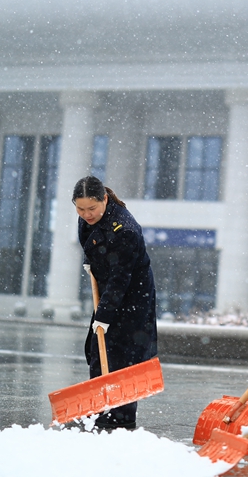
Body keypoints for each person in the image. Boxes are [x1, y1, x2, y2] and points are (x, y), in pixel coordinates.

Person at [73, 175, 157, 430]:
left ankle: (122, 417)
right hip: (109, 289)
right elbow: (92, 244)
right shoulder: (88, 217)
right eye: (80, 208)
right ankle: (99, 409)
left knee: (124, 355)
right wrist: (92, 260)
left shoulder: (125, 229)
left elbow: (121, 278)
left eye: (92, 208)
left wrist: (105, 315)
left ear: (105, 200)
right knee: (98, 351)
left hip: (133, 296)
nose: (86, 214)